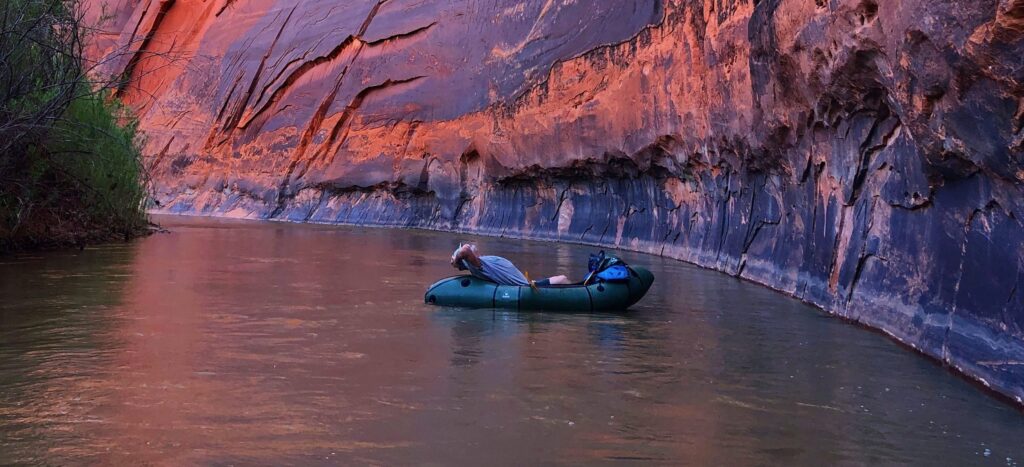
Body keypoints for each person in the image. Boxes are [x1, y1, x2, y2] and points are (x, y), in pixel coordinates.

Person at [450, 243, 571, 286]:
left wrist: (456, 260)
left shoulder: (481, 265)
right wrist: (456, 262)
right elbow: (462, 259)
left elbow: (465, 250)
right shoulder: (476, 264)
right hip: (524, 284)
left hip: (524, 287)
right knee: (561, 279)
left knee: (562, 279)